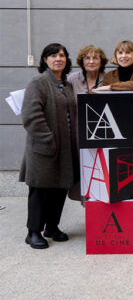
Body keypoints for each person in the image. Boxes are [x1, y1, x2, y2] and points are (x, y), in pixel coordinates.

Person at [20, 43, 78, 249]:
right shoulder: (39, 83)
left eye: (62, 55)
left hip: (65, 149)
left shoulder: (66, 84)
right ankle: (33, 232)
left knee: (59, 188)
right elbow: (31, 116)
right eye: (53, 55)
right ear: (45, 60)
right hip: (44, 149)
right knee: (40, 190)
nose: (58, 59)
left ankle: (51, 227)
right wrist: (48, 140)